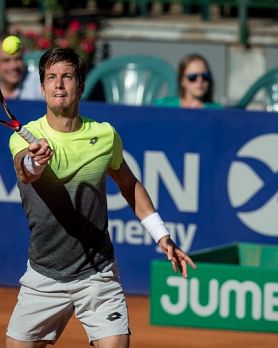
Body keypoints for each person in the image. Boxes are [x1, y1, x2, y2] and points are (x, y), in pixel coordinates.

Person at [5, 48, 196, 348]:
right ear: (41, 88)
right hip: (43, 277)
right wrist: (35, 162)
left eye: (67, 77)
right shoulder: (22, 138)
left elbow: (129, 185)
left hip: (97, 276)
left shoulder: (105, 136)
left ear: (80, 86)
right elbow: (26, 172)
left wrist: (162, 236)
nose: (58, 84)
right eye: (51, 78)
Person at [154, 53, 222, 109]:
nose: (200, 80)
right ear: (182, 81)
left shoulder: (216, 111)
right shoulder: (164, 106)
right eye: (193, 77)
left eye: (205, 76)